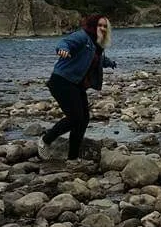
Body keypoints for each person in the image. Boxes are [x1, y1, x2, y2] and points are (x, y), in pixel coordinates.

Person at [37, 14, 116, 160]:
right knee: (75, 118)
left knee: (83, 119)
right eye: (99, 25)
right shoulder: (82, 36)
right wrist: (63, 50)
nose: (103, 28)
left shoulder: (97, 44)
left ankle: (72, 158)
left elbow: (97, 59)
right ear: (93, 25)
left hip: (76, 84)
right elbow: (64, 43)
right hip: (62, 81)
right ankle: (45, 140)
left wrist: (110, 63)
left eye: (105, 26)